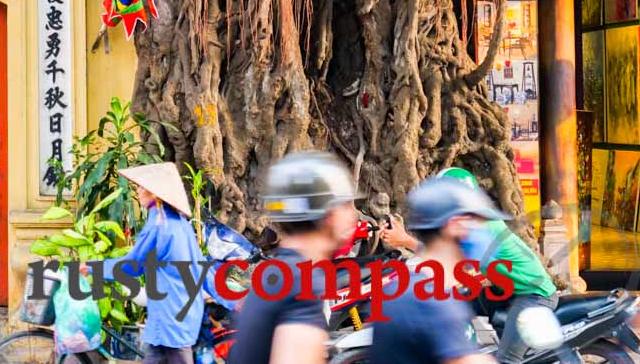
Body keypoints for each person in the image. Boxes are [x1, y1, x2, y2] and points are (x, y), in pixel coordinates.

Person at [380, 167, 557, 363]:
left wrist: (405, 240)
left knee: (507, 359)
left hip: (533, 295)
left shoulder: (489, 228)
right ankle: (463, 343)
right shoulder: (427, 301)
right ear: (455, 223)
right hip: (505, 289)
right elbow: (449, 260)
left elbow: (456, 266)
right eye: (473, 217)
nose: (477, 224)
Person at [89, 162, 233, 364]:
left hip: (171, 319)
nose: (138, 191)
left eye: (142, 186)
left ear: (155, 193)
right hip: (178, 316)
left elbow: (132, 266)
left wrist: (91, 268)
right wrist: (229, 298)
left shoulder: (159, 225)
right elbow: (201, 266)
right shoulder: (179, 223)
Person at [228, 152, 358, 364]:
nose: (353, 215)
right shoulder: (302, 284)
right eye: (345, 205)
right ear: (329, 215)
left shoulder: (274, 273)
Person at [368, 176, 504, 364]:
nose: (486, 232)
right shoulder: (435, 302)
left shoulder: (401, 287)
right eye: (478, 222)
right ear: (455, 225)